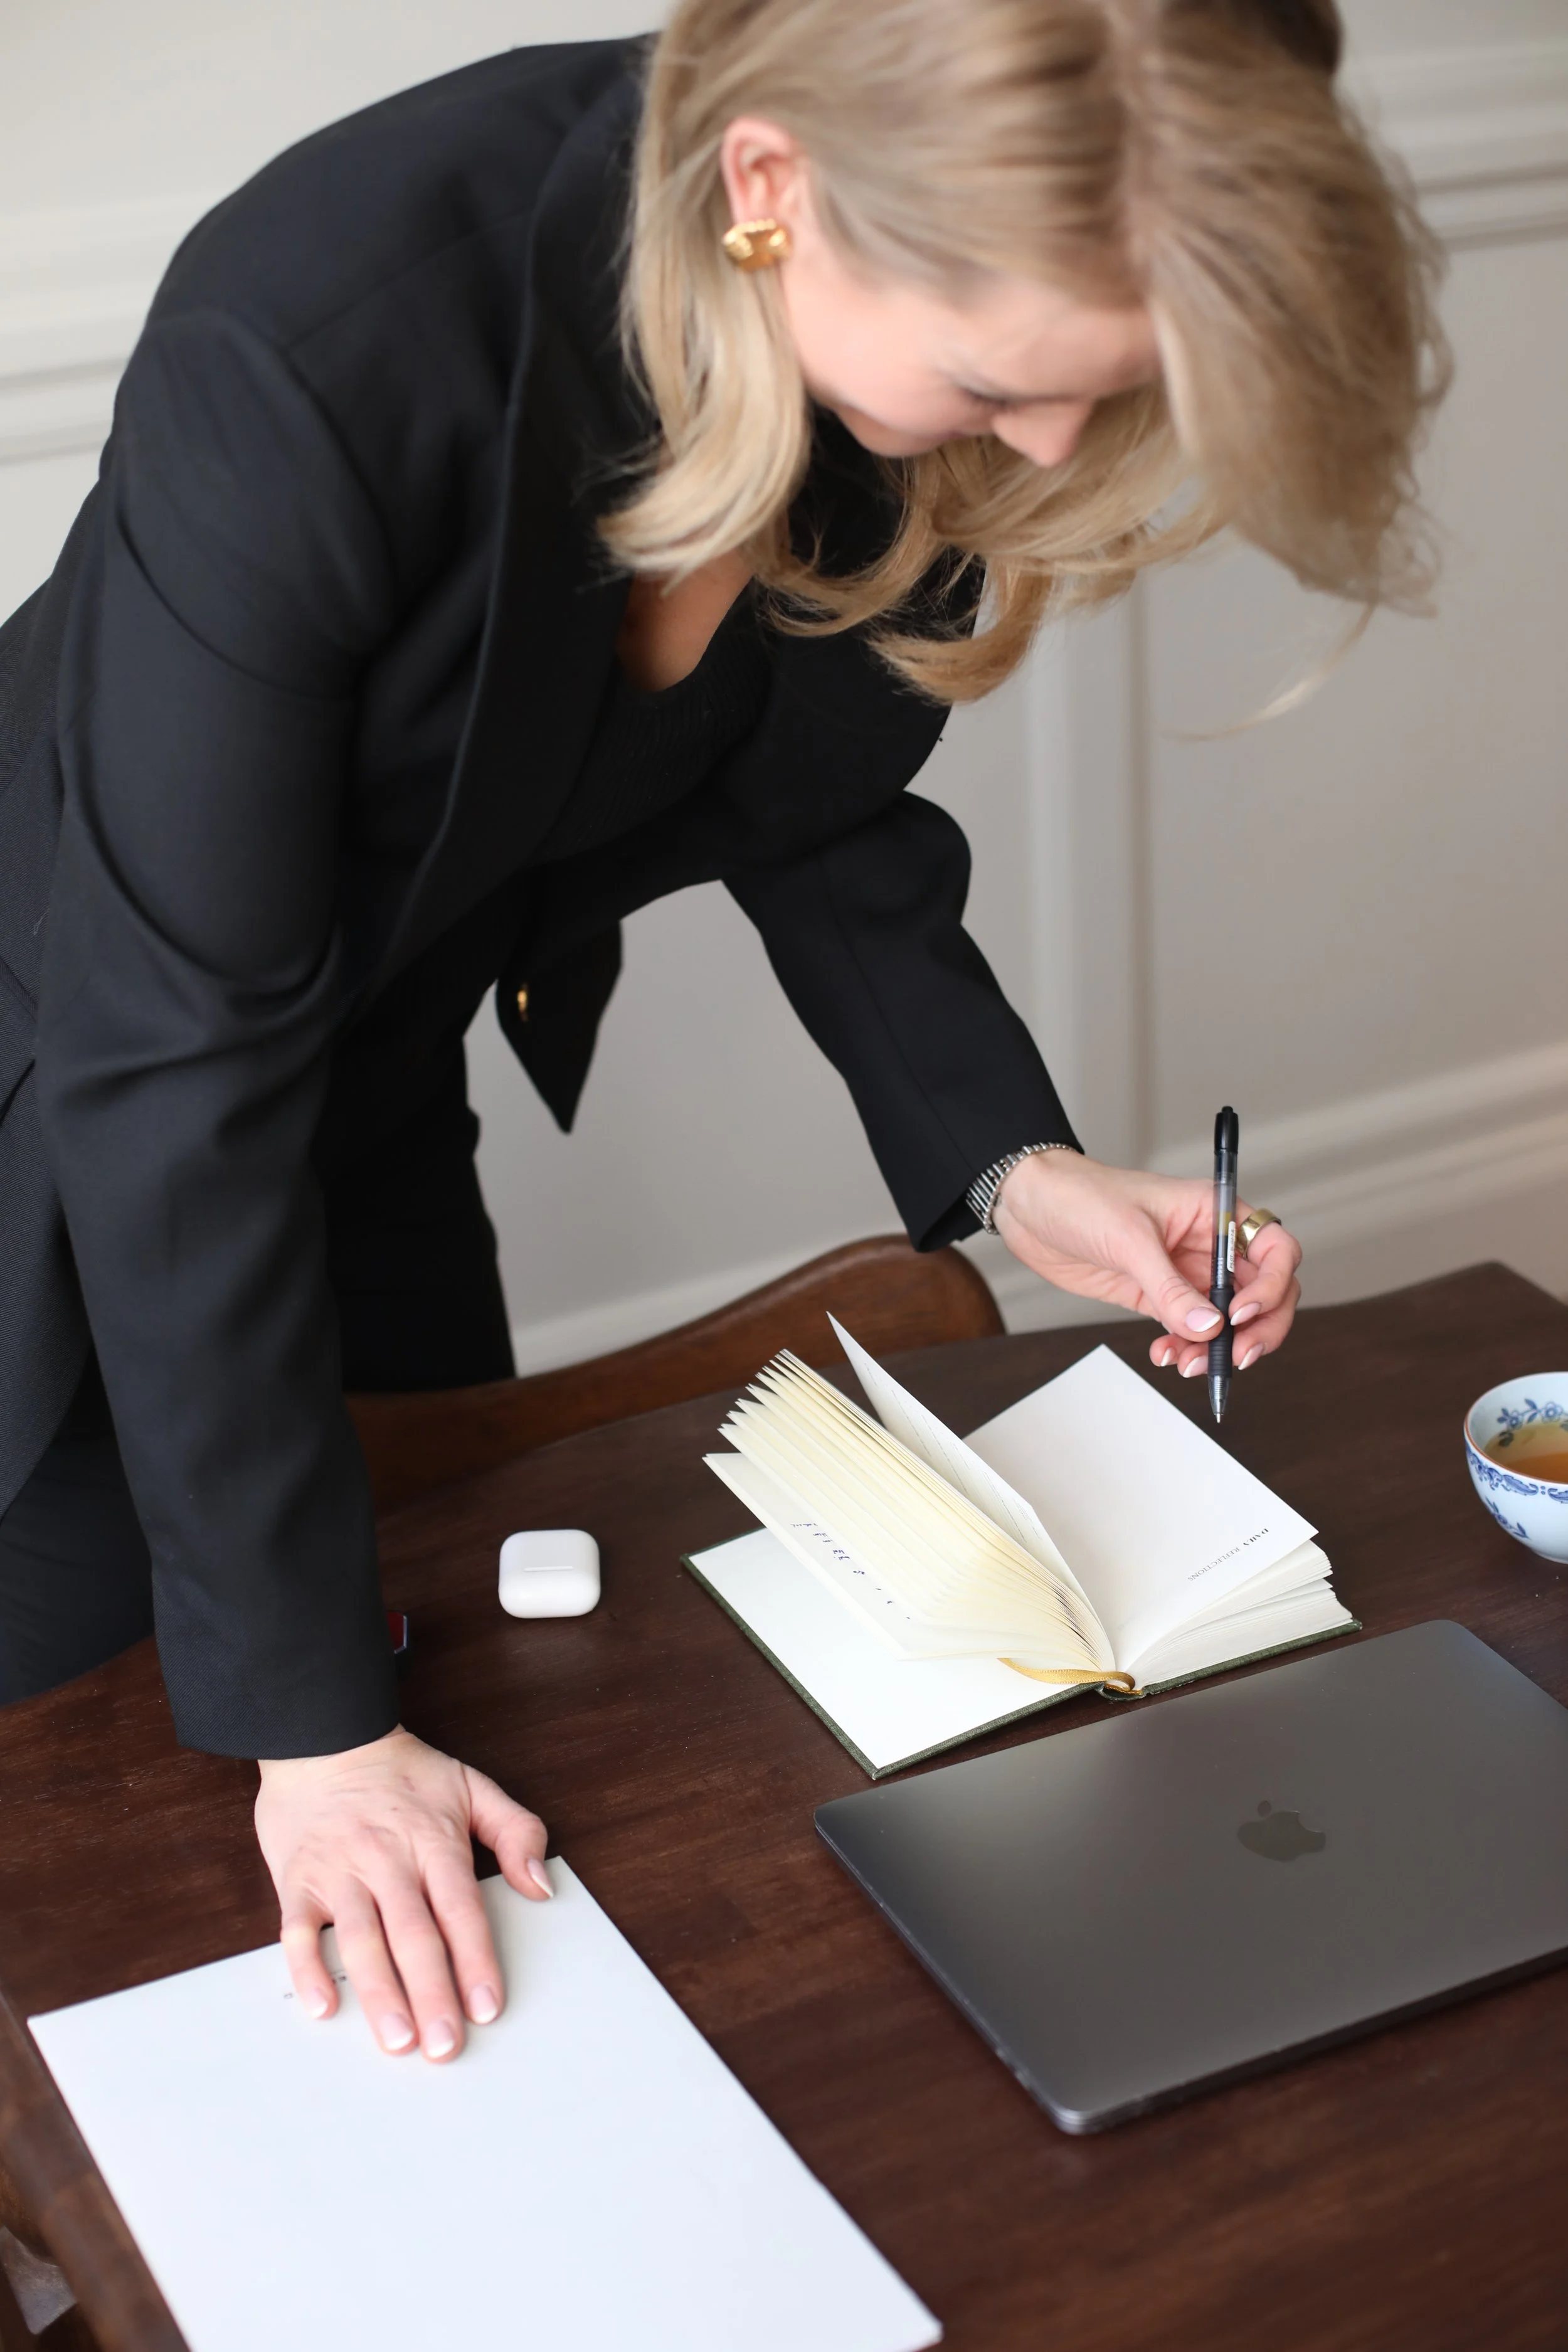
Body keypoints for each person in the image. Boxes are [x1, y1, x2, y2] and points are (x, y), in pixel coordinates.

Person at [0, 0, 1442, 2063]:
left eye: (1100, 384)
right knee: (110, 1846)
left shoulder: (858, 315)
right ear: (771, 192)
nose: (1048, 448)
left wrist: (1011, 1165)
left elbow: (815, 796)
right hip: (64, 1121)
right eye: (996, 382)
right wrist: (311, 1733)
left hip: (362, 1086)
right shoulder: (316, 337)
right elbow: (166, 1061)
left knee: (462, 1691)